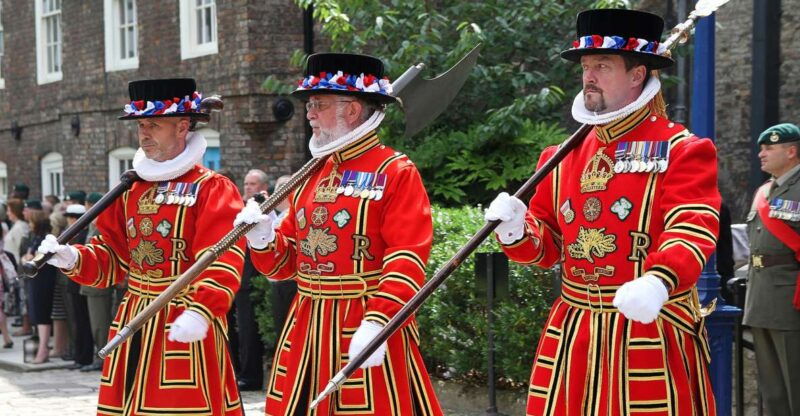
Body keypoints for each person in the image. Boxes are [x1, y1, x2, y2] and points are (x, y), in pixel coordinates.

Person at [485, 9, 720, 415]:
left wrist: (659, 281)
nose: (589, 75)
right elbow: (548, 249)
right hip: (574, 330)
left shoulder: (681, 148)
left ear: (637, 75)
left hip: (649, 324)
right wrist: (516, 229)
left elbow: (692, 226)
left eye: (603, 65)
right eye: (586, 66)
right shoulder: (559, 156)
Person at [235, 53, 444, 415]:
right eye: (310, 104)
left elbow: (407, 257)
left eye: (319, 104)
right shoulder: (311, 174)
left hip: (364, 321)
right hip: (308, 329)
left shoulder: (395, 171)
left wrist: (379, 320)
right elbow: (284, 266)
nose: (309, 113)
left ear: (352, 110)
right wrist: (264, 237)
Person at [37, 78, 246, 415]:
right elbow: (112, 259)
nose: (144, 133)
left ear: (182, 127)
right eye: (141, 125)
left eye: (154, 124)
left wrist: (202, 309)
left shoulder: (212, 188)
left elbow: (221, 256)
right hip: (134, 319)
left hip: (185, 319)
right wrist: (74, 257)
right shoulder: (132, 189)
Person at [743, 122, 800, 415]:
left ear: (791, 151)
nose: (761, 155)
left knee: (795, 385)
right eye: (761, 149)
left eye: (770, 148)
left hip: (790, 300)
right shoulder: (765, 191)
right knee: (773, 389)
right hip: (761, 297)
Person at [22, 209, 59, 363]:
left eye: (31, 222)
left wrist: (27, 259)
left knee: (42, 314)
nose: (29, 225)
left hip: (43, 281)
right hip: (35, 280)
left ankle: (43, 349)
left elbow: (35, 259)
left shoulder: (45, 239)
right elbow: (27, 257)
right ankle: (40, 347)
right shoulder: (35, 237)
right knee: (36, 314)